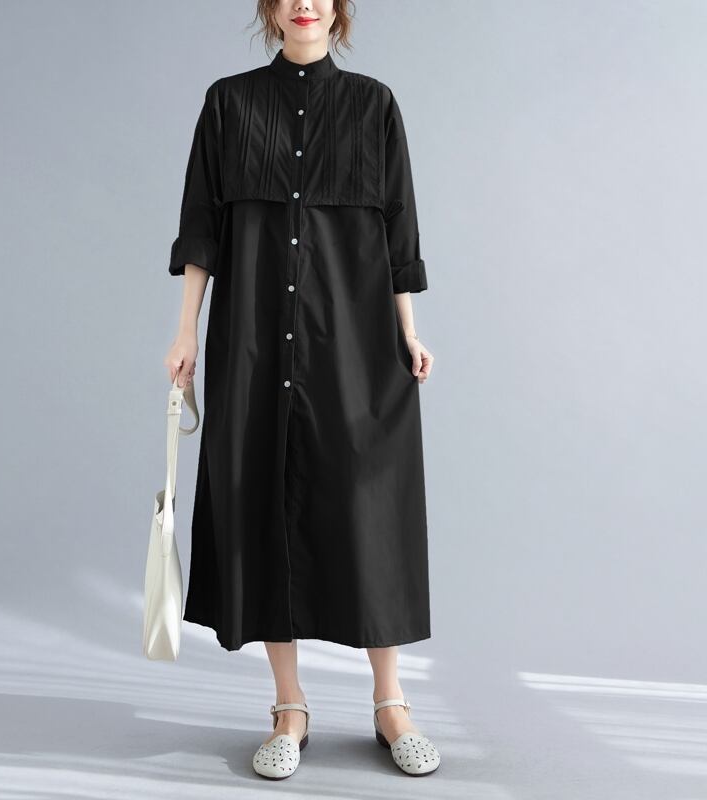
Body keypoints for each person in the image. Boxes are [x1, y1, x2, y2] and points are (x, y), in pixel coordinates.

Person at [163, 0, 439, 779]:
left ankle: (390, 702)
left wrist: (409, 330)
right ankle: (289, 706)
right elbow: (201, 226)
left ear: (337, 9)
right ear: (271, 9)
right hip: (252, 339)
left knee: (369, 510)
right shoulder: (229, 104)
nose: (304, 3)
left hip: (353, 342)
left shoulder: (374, 105)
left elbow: (400, 229)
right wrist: (185, 331)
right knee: (263, 503)